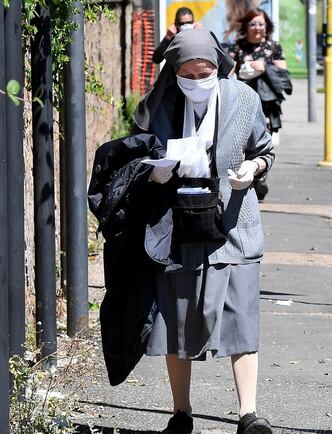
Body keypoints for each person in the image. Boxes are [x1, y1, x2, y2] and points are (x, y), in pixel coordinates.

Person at [132, 29, 275, 434]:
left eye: (205, 72)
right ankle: (181, 412)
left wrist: (253, 168)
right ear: (174, 72)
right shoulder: (159, 104)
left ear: (219, 67)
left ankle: (249, 414)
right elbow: (137, 156)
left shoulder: (243, 99)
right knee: (176, 320)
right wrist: (154, 174)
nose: (197, 80)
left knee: (241, 317)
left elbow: (265, 150)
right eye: (188, 74)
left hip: (234, 223)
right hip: (178, 227)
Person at [227, 8, 289, 200]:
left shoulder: (273, 47)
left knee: (263, 141)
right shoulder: (237, 47)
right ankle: (249, 176)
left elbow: (284, 77)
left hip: (267, 105)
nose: (257, 27)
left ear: (267, 26)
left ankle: (259, 177)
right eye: (253, 23)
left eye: (261, 23)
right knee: (243, 141)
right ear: (246, 26)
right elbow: (227, 73)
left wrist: (265, 67)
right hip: (242, 104)